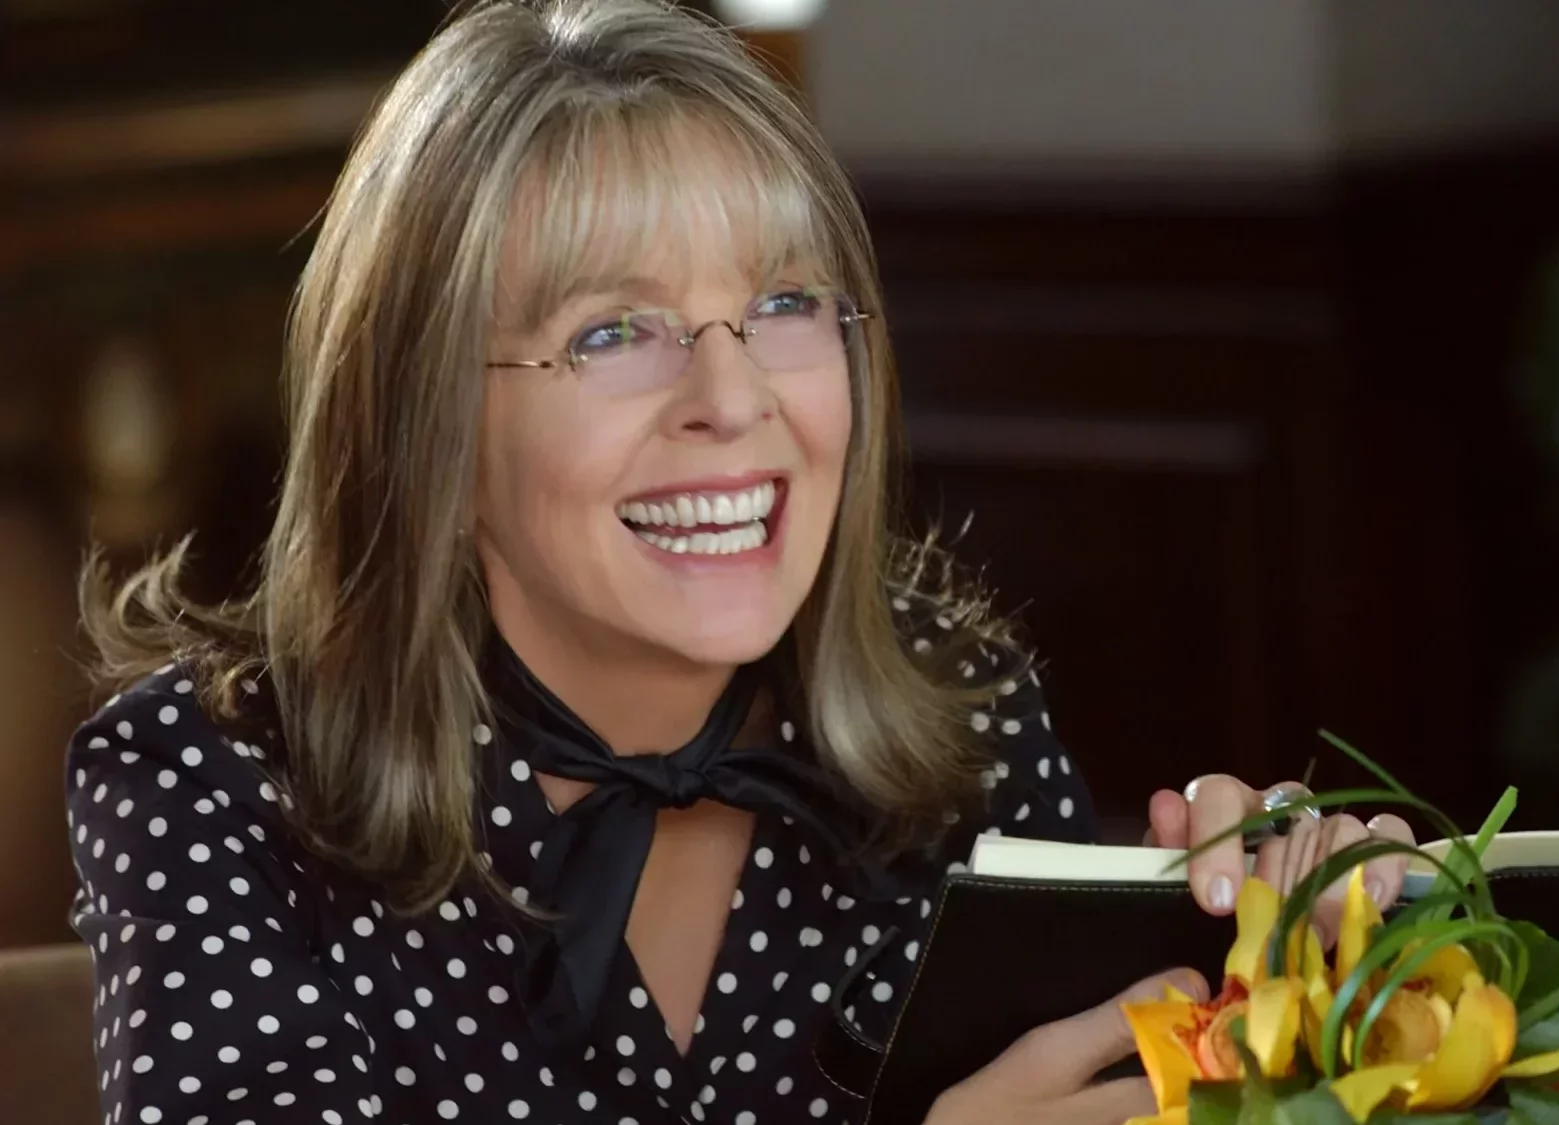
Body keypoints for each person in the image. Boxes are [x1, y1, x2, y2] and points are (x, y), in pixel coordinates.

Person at [63, 3, 1413, 1123]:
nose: (733, 397)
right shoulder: (208, 782)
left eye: (782, 305)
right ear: (429, 419)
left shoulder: (966, 720)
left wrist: (1293, 990)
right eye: (612, 332)